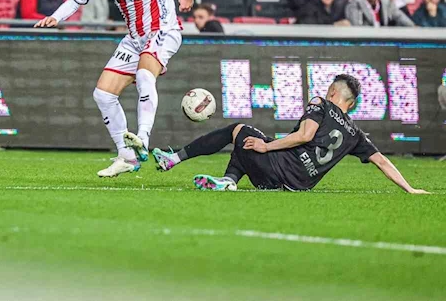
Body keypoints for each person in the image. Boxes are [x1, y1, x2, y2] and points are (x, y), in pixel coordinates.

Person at [34, 0, 195, 177]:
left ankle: (142, 138)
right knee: (103, 95)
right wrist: (56, 16)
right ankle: (127, 156)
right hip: (134, 39)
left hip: (163, 29)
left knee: (144, 76)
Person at [149, 75, 428, 193]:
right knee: (250, 140)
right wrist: (410, 188)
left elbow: (306, 135)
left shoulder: (321, 103)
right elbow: (382, 161)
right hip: (297, 184)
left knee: (240, 131)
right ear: (352, 103)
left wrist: (266, 148)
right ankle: (228, 181)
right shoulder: (355, 133)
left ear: (332, 92)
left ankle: (173, 159)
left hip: (279, 169)